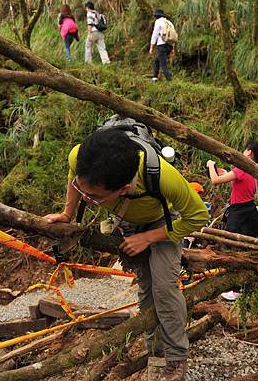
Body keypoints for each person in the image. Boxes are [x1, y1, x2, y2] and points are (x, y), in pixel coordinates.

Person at [44, 128, 208, 381]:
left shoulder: (162, 177)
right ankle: (155, 352)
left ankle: (176, 358)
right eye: (83, 189)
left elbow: (198, 216)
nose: (86, 197)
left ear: (123, 189)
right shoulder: (80, 157)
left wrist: (149, 238)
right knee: (146, 287)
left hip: (164, 223)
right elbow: (73, 177)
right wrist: (67, 213)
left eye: (94, 196)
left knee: (164, 287)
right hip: (129, 225)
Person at [206, 141, 258, 238]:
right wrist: (227, 173)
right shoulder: (257, 171)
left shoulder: (241, 169)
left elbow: (215, 180)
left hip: (238, 212)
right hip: (251, 211)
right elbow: (243, 183)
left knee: (230, 244)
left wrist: (211, 165)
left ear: (249, 152)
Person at [149, 8, 173, 81]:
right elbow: (173, 35)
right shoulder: (169, 22)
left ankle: (170, 81)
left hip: (161, 45)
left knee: (163, 64)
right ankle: (154, 78)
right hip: (169, 45)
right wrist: (173, 48)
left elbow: (155, 35)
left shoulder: (158, 22)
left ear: (156, 16)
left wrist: (151, 47)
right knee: (157, 60)